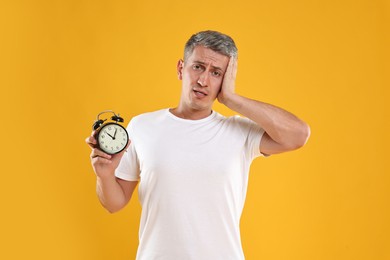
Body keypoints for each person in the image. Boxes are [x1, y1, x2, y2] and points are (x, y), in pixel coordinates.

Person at [86, 30, 310, 260]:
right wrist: (104, 175)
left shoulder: (239, 133)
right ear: (180, 68)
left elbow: (298, 135)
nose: (203, 80)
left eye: (216, 73)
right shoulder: (142, 126)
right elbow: (114, 203)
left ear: (226, 80)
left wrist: (231, 99)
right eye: (198, 67)